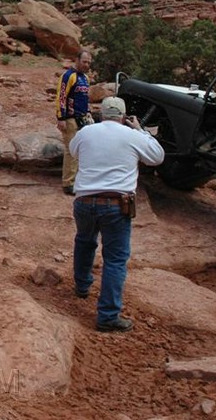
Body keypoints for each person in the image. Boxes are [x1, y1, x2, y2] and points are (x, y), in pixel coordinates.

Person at [69, 96, 165, 333]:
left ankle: (82, 285)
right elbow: (157, 157)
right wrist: (140, 130)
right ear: (123, 117)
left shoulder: (87, 132)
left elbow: (73, 152)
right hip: (115, 204)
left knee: (84, 241)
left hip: (84, 200)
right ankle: (108, 315)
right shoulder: (132, 135)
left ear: (102, 114)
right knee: (115, 259)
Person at [56, 50, 93, 195]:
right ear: (77, 60)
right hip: (70, 118)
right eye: (84, 62)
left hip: (83, 118)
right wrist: (61, 118)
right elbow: (61, 96)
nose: (86, 65)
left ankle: (78, 179)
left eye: (89, 62)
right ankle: (68, 183)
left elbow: (85, 98)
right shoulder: (68, 76)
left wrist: (88, 112)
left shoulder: (85, 78)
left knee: (82, 150)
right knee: (71, 150)